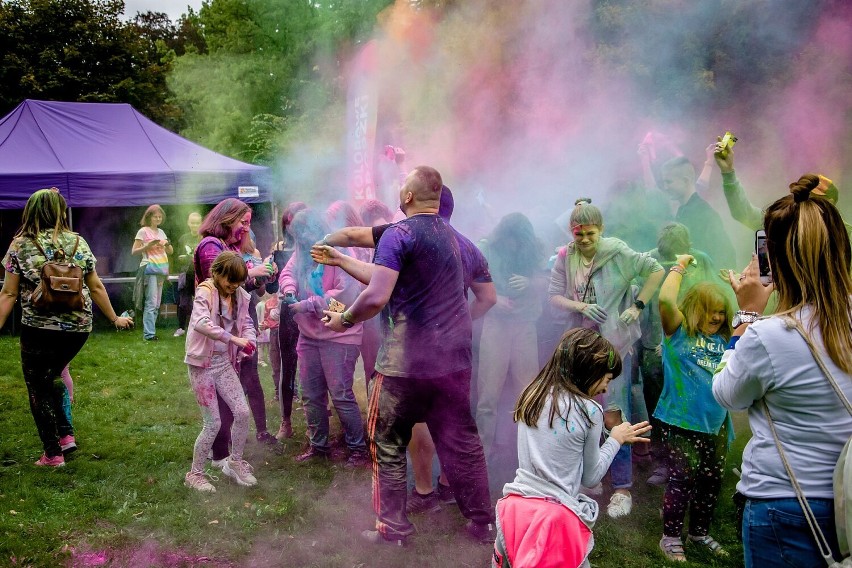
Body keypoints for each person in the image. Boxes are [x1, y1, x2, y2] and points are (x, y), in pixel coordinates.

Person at [322, 167, 495, 546]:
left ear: (407, 199)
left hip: (403, 365)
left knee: (386, 442)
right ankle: (482, 523)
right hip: (453, 364)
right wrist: (460, 323)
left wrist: (343, 319)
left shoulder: (399, 234)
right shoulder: (465, 244)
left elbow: (377, 295)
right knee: (462, 442)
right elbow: (489, 298)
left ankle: (393, 529)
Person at [713, 174, 852, 567]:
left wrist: (747, 315)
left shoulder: (768, 336)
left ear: (774, 260)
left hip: (785, 505)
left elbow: (727, 394)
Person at [494, 328, 651, 568]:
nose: (606, 389)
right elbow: (591, 477)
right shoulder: (590, 411)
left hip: (516, 509)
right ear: (590, 371)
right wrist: (616, 439)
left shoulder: (531, 394)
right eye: (606, 379)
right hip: (554, 519)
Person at [548, 198, 664, 518]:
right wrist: (581, 307)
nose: (584, 240)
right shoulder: (565, 257)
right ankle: (591, 480)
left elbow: (655, 270)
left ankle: (623, 488)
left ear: (601, 231)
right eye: (578, 234)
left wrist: (636, 306)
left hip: (616, 345)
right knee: (584, 412)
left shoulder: (617, 252)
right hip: (582, 347)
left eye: (590, 234)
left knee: (615, 413)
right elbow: (554, 296)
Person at [0, 189, 133, 467]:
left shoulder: (20, 244)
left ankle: (52, 454)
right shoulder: (78, 242)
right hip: (78, 327)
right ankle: (65, 437)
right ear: (59, 211)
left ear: (31, 211)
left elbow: (9, 294)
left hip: (39, 327)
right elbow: (95, 286)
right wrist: (114, 319)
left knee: (38, 385)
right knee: (55, 374)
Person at [642, 222, 735, 485]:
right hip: (660, 339)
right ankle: (662, 461)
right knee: (659, 402)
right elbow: (648, 299)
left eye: (680, 252)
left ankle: (710, 453)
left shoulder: (701, 259)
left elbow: (716, 292)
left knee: (701, 391)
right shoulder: (650, 260)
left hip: (695, 341)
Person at [656, 261, 734, 562]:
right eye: (710, 310)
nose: (716, 317)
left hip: (716, 425)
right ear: (693, 308)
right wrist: (678, 266)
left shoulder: (723, 340)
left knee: (711, 481)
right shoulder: (678, 333)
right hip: (682, 423)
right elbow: (664, 299)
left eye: (720, 311)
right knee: (681, 481)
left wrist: (739, 284)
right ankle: (671, 537)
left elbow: (747, 320)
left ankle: (699, 532)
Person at [193, 199, 276, 477]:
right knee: (217, 410)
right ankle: (214, 459)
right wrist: (252, 272)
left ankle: (232, 455)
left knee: (241, 398)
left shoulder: (230, 251)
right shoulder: (210, 246)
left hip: (232, 339)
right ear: (227, 219)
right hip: (211, 347)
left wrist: (259, 277)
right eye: (243, 222)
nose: (245, 228)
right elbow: (216, 283)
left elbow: (239, 292)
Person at [279, 209, 368, 466]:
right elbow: (287, 272)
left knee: (340, 394)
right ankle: (319, 447)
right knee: (311, 394)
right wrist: (289, 290)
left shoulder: (340, 254)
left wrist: (308, 304)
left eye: (301, 237)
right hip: (309, 336)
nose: (300, 243)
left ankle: (357, 450)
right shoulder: (303, 252)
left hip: (341, 335)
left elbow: (345, 299)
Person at [475, 213, 544, 482]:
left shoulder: (535, 249)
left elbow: (551, 279)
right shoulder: (486, 248)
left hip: (525, 325)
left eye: (519, 239)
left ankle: (532, 456)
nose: (514, 244)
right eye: (510, 239)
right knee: (488, 395)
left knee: (528, 394)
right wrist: (495, 298)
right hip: (496, 326)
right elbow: (471, 281)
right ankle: (483, 452)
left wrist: (531, 283)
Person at [184, 251, 258, 492]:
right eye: (230, 281)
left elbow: (246, 322)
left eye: (238, 282)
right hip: (201, 364)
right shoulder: (205, 291)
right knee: (213, 423)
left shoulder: (239, 295)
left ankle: (234, 462)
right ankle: (195, 474)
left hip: (223, 363)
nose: (233, 286)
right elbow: (201, 323)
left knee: (242, 411)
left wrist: (249, 340)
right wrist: (234, 340)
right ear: (216, 273)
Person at [657, 156, 738, 269]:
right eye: (663, 182)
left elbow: (725, 254)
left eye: (668, 182)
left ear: (686, 180)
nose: (665, 187)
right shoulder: (684, 210)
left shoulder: (702, 213)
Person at [269, 202, 307, 440]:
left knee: (313, 362)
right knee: (287, 365)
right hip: (288, 310)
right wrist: (272, 272)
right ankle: (286, 421)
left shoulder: (315, 247)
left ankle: (318, 409)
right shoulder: (279, 249)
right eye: (289, 222)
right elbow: (274, 285)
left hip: (312, 309)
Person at [131, 204, 173, 341]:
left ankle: (151, 332)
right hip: (149, 268)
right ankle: (149, 334)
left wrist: (166, 243)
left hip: (161, 269)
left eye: (160, 216)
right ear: (149, 217)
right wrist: (148, 246)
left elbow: (170, 252)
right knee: (151, 301)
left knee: (156, 303)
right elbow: (134, 251)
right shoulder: (143, 231)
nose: (158, 219)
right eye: (155, 216)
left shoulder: (161, 233)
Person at [174, 211, 202, 338]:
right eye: (192, 223)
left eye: (197, 223)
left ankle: (201, 327)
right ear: (188, 223)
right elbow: (177, 257)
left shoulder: (204, 238)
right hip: (186, 274)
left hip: (200, 275)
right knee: (183, 303)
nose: (195, 225)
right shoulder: (183, 238)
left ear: (201, 224)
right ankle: (181, 327)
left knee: (201, 301)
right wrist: (185, 257)